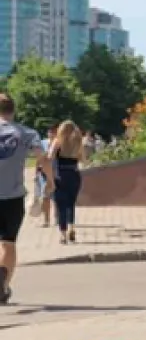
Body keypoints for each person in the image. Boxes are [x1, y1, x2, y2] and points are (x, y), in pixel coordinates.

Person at [0, 94, 56, 304]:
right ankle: (2, 285)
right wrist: (49, 182)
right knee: (8, 243)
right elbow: (44, 159)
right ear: (13, 110)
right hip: (13, 197)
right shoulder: (27, 133)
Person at [49, 120, 85, 244]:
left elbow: (50, 157)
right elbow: (82, 159)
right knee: (71, 203)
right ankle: (72, 228)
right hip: (74, 174)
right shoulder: (78, 142)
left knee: (60, 206)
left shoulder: (57, 142)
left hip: (60, 175)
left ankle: (63, 235)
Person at [30, 124, 58, 227]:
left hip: (56, 173)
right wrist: (35, 174)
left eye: (53, 132)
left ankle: (57, 218)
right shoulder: (43, 143)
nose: (51, 134)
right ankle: (46, 220)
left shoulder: (59, 144)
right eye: (50, 132)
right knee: (45, 197)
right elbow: (38, 159)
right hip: (43, 174)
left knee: (56, 197)